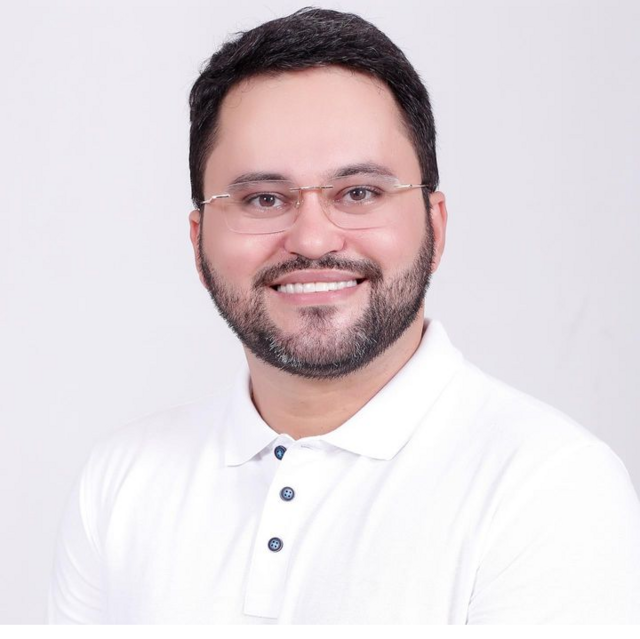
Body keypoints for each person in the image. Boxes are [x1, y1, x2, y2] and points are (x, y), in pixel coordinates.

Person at [48, 7, 640, 624]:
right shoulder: (120, 482)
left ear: (435, 226)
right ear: (198, 242)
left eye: (359, 193)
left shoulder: (549, 487)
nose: (311, 239)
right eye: (263, 199)